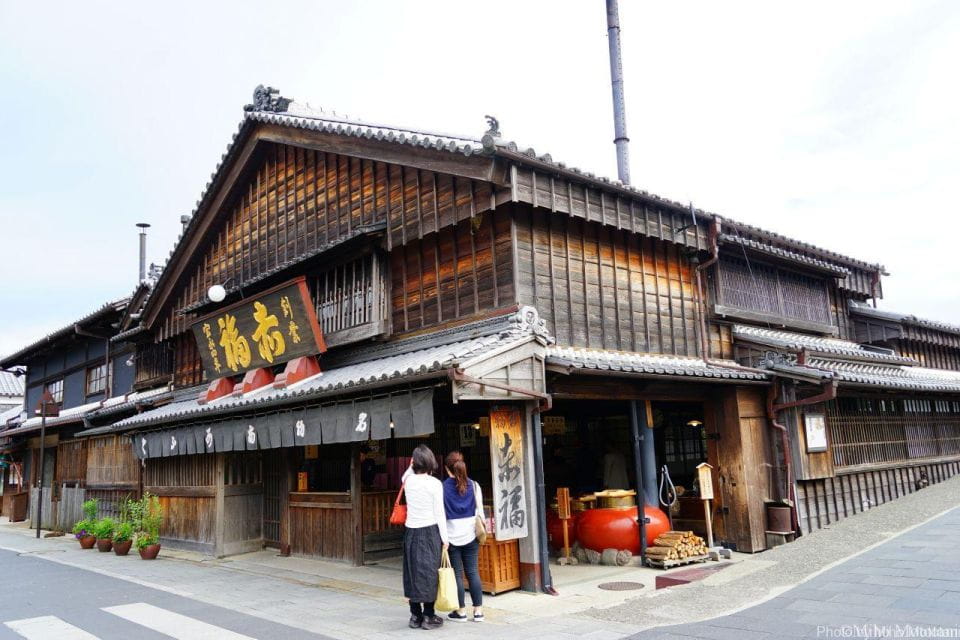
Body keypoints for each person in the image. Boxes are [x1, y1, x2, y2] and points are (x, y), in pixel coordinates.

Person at [400, 445, 448, 630]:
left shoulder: (408, 481)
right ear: (430, 462)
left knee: (412, 572)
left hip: (411, 531)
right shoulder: (435, 484)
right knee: (429, 573)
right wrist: (445, 538)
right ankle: (429, 615)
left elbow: (407, 472)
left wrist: (413, 463)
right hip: (430, 531)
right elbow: (440, 513)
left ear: (413, 462)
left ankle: (415, 616)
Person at [442, 451, 484, 623]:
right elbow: (479, 511)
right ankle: (478, 611)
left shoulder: (442, 487)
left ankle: (460, 612)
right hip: (471, 535)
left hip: (452, 537)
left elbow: (440, 514)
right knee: (473, 572)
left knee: (457, 574)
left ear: (447, 468)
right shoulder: (474, 485)